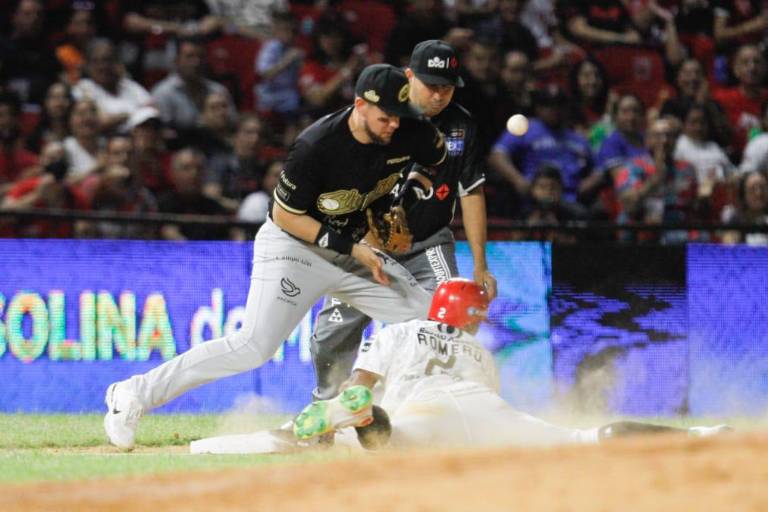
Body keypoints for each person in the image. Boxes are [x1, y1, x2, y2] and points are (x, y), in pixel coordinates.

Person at [103, 64, 447, 449]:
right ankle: (133, 394)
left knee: (426, 319)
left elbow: (436, 157)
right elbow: (286, 216)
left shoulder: (408, 130)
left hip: (353, 250)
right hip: (295, 248)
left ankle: (373, 412)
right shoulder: (318, 145)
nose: (394, 125)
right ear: (360, 105)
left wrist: (406, 197)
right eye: (385, 117)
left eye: (400, 116)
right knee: (253, 346)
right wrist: (355, 248)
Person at [293, 278, 731, 450]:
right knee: (581, 440)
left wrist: (342, 408)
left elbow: (361, 381)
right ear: (470, 316)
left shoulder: (399, 331)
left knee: (374, 440)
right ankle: (702, 434)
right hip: (485, 407)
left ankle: (362, 420)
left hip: (421, 411)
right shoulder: (481, 353)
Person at [310, 40, 497, 402]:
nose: (439, 95)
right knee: (330, 336)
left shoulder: (460, 125)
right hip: (366, 244)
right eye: (431, 85)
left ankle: (433, 402)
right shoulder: (379, 116)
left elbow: (471, 192)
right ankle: (329, 406)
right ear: (409, 76)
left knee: (451, 317)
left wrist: (480, 264)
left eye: (447, 87)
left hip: (428, 241)